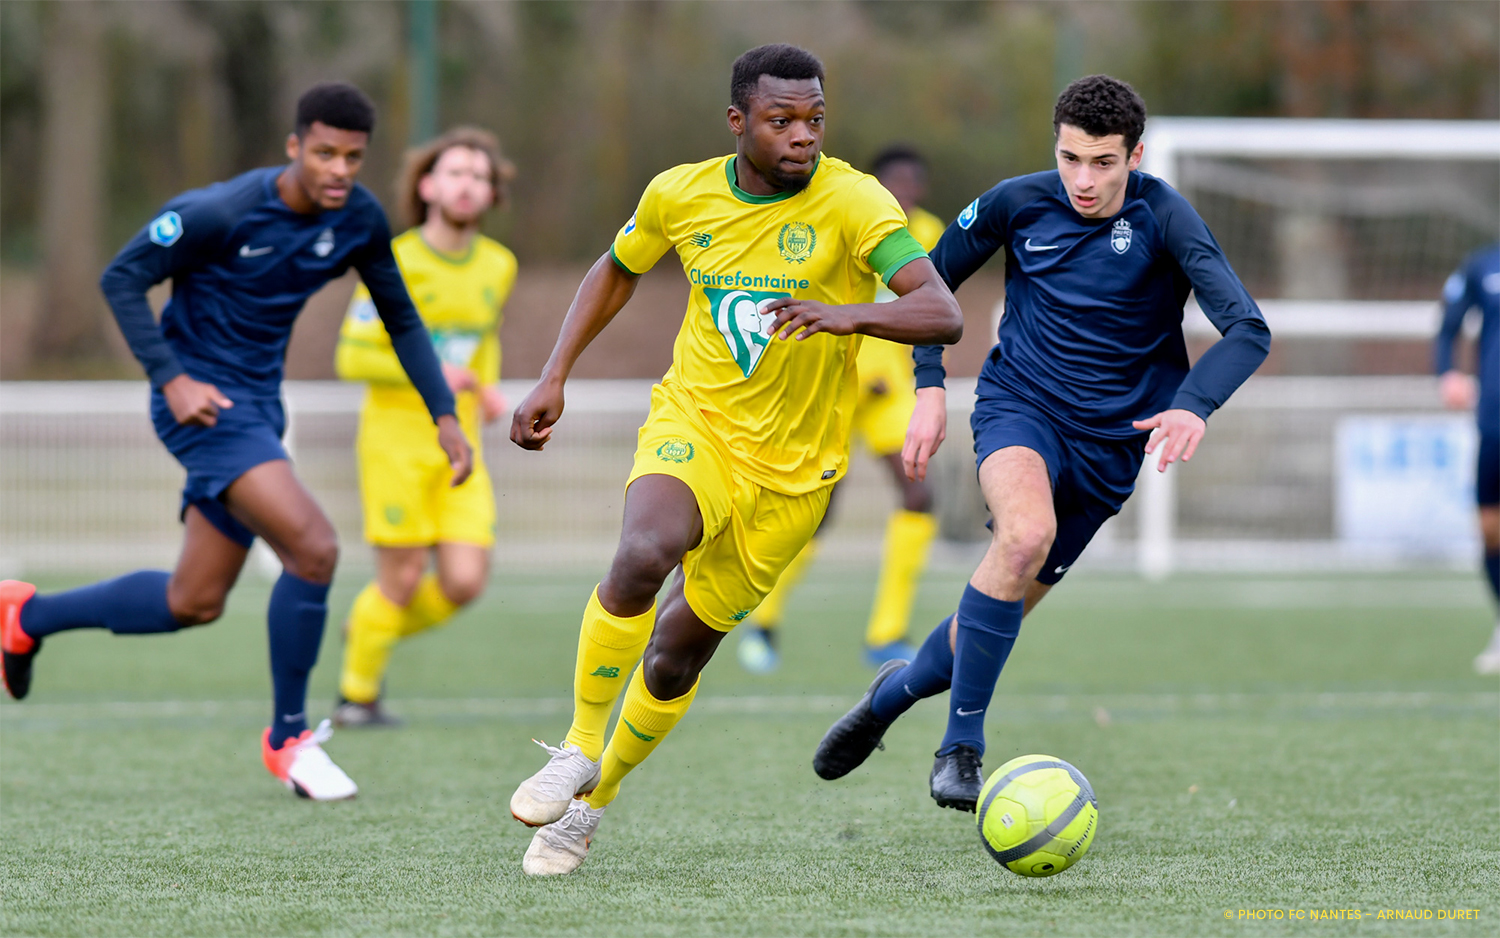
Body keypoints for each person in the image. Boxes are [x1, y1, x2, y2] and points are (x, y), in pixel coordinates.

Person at [505, 44, 963, 875]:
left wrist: (846, 314)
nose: (802, 136)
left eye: (815, 119)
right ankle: (575, 747)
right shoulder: (679, 193)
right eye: (782, 120)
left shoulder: (856, 201)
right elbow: (617, 268)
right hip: (697, 422)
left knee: (677, 652)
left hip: (796, 473)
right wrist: (554, 372)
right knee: (644, 553)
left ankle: (587, 808)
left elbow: (941, 310)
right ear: (738, 122)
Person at [0, 83, 471, 801]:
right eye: (323, 153)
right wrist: (171, 378)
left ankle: (23, 616)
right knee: (314, 548)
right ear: (293, 148)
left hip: (257, 409)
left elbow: (401, 317)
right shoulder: (219, 211)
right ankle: (288, 738)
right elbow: (121, 278)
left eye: (352, 156)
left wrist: (444, 414)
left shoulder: (360, 220)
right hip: (203, 409)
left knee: (194, 600)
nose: (339, 169)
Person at [813, 74, 1271, 812]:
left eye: (1103, 163)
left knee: (987, 619)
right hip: (1018, 408)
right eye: (1070, 159)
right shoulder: (1015, 203)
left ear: (1136, 156)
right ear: (1053, 148)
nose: (1083, 180)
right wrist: (928, 388)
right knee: (1024, 534)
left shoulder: (1167, 218)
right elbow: (928, 294)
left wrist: (1194, 406)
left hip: (1109, 451)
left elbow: (1248, 328)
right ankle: (961, 748)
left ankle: (890, 696)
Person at [737, 145, 949, 673]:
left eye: (911, 182)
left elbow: (929, 308)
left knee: (919, 494)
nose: (901, 192)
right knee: (816, 515)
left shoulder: (930, 233)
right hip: (830, 382)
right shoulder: (846, 215)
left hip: (889, 392)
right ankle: (762, 623)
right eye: (891, 182)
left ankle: (887, 633)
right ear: (874, 186)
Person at [332, 127, 518, 726]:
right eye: (456, 172)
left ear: (492, 195)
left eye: (480, 177)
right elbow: (351, 357)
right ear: (428, 185)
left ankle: (365, 628)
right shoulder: (394, 261)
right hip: (396, 446)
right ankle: (358, 694)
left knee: (464, 580)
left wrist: (485, 388)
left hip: (460, 448)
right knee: (404, 578)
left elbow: (481, 342)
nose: (468, 185)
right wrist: (437, 373)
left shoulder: (498, 265)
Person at [1434, 243, 1500, 674]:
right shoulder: (1483, 265)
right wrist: (1448, 373)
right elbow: (1447, 328)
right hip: (1494, 419)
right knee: (1491, 529)